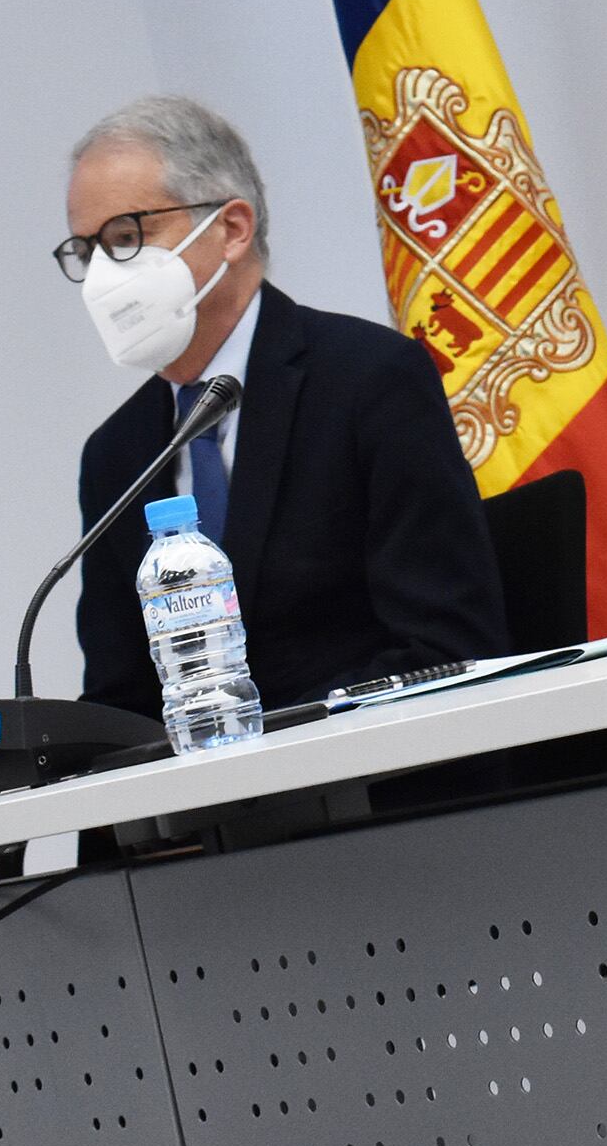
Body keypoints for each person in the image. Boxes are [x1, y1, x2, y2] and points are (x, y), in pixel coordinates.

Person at [59, 94, 515, 715]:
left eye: (127, 236)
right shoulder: (117, 453)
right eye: (87, 251)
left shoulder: (369, 380)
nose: (103, 277)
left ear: (232, 229)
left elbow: (446, 647)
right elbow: (121, 702)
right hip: (209, 805)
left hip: (382, 788)